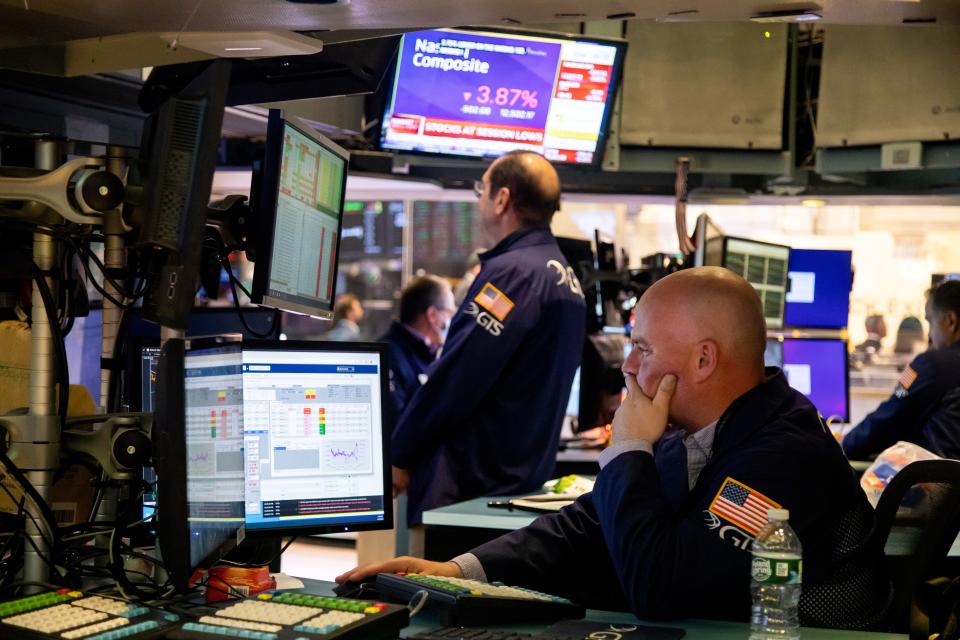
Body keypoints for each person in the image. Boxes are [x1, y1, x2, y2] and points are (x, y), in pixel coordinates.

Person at [339, 267, 889, 629]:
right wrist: (459, 570)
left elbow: (663, 592)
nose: (627, 366)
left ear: (703, 360)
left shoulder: (781, 452)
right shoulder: (712, 425)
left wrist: (629, 449)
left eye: (642, 348)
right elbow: (590, 520)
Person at [391, 150, 586, 533]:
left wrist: (400, 452)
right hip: (516, 484)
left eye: (481, 190)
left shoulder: (511, 274)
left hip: (469, 492)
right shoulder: (564, 275)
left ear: (502, 199)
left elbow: (459, 375)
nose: (479, 200)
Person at [843, 280, 960, 460]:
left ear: (951, 321)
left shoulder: (930, 364)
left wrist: (842, 445)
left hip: (942, 483)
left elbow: (889, 415)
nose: (929, 334)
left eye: (930, 322)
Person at [379, 275, 456, 425]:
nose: (453, 319)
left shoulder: (432, 354)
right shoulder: (388, 356)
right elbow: (397, 425)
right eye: (450, 312)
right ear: (432, 315)